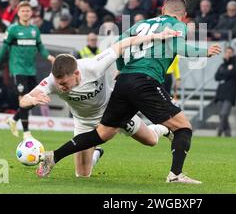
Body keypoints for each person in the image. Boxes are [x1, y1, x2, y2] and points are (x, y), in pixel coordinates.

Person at [36, 0, 221, 183]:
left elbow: (119, 45)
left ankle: (54, 156)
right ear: (184, 15)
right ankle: (175, 175)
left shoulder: (141, 25)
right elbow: (178, 45)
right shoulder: (176, 23)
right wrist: (203, 52)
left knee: (103, 133)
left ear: (163, 9)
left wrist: (122, 68)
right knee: (183, 127)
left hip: (124, 82)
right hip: (146, 81)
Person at [20, 27, 178, 178]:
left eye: (65, 83)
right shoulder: (52, 82)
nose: (61, 87)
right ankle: (95, 153)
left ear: (76, 73)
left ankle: (163, 129)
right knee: (82, 175)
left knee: (151, 140)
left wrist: (157, 36)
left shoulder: (94, 65)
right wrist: (32, 100)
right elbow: (24, 100)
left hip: (113, 113)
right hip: (84, 122)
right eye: (58, 83)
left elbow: (125, 42)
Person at [0, 1, 55, 139]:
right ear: (18, 13)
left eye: (28, 11)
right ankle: (26, 133)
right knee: (24, 99)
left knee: (33, 99)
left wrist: (49, 57)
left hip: (31, 70)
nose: (25, 13)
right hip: (18, 69)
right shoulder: (12, 29)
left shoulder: (35, 30)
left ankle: (13, 119)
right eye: (23, 11)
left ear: (31, 13)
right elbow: (4, 48)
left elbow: (40, 47)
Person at [214, 46, 236, 137]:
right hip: (220, 93)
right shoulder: (223, 65)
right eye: (226, 52)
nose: (228, 54)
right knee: (221, 115)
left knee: (224, 114)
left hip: (230, 93)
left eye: (230, 52)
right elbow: (217, 77)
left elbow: (233, 73)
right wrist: (227, 72)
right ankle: (228, 134)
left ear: (233, 53)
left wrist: (225, 73)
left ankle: (219, 130)